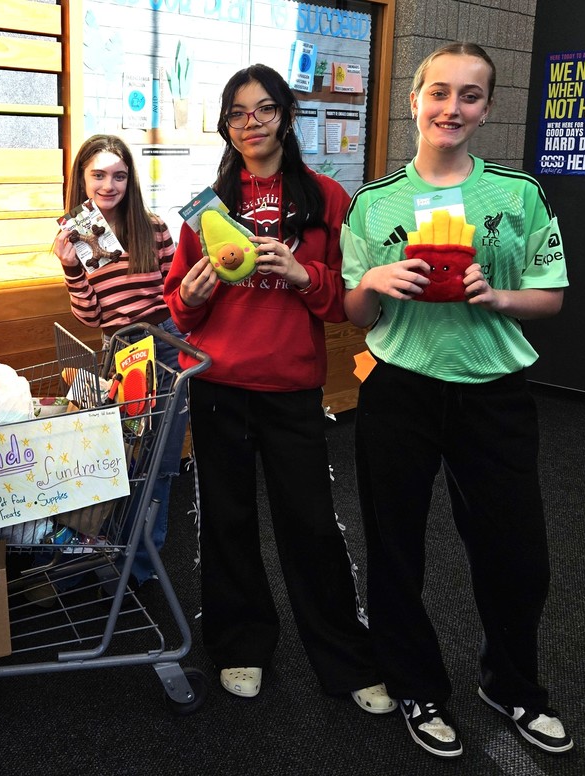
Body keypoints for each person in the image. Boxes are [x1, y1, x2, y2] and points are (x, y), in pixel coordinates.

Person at [341, 42, 572, 758]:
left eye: (470, 95)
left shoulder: (518, 194)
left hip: (493, 395)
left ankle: (511, 684)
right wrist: (374, 283)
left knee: (516, 553)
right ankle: (415, 683)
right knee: (396, 548)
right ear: (414, 101)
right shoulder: (374, 203)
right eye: (439, 92)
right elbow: (354, 313)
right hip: (399, 391)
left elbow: (552, 295)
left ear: (487, 108)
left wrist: (498, 296)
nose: (452, 107)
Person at [163, 63, 391, 712]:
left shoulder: (325, 199)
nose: (252, 123)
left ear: (287, 116)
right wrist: (191, 294)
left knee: (311, 524)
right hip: (218, 387)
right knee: (228, 523)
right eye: (238, 113)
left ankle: (345, 658)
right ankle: (239, 644)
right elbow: (178, 310)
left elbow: (345, 305)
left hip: (292, 389)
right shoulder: (207, 208)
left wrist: (303, 273)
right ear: (225, 127)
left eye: (264, 110)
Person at [52, 134, 188, 590]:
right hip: (118, 350)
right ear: (82, 179)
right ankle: (108, 553)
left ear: (130, 180)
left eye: (119, 175)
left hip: (163, 346)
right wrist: (72, 268)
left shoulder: (153, 228)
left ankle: (140, 569)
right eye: (98, 175)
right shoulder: (79, 234)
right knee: (117, 457)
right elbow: (91, 315)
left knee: (159, 461)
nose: (109, 185)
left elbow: (177, 294)